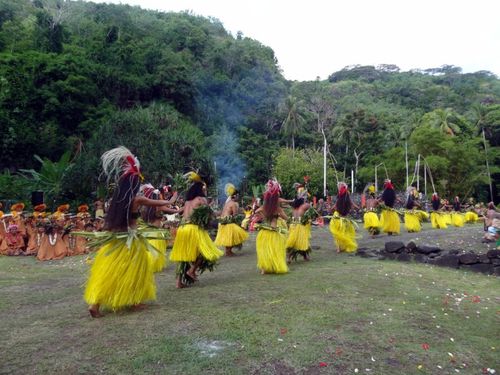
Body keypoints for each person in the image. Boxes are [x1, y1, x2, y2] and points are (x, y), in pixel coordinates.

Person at [82, 146, 174, 318]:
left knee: (110, 271)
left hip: (115, 240)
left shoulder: (116, 199)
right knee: (137, 270)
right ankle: (135, 301)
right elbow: (160, 204)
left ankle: (95, 303)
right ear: (134, 184)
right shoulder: (137, 199)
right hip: (131, 241)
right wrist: (173, 199)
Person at [169, 172, 223, 288]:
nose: (204, 190)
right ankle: (192, 270)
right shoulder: (200, 199)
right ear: (200, 189)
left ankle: (179, 282)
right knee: (205, 252)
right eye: (203, 188)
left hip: (183, 228)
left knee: (183, 255)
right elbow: (210, 213)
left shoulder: (187, 201)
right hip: (193, 228)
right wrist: (219, 213)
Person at [140, 183, 179, 272]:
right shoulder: (159, 207)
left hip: (146, 232)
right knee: (154, 253)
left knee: (148, 252)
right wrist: (176, 192)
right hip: (156, 234)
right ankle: (151, 266)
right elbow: (172, 205)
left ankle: (146, 266)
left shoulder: (145, 208)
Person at [254, 179, 288, 274]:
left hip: (263, 233)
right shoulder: (277, 209)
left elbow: (256, 212)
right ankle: (275, 267)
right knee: (275, 250)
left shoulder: (263, 207)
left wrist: (262, 215)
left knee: (264, 250)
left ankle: (263, 270)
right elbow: (286, 218)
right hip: (274, 232)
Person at [214, 183, 249, 256]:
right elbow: (235, 215)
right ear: (235, 196)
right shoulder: (234, 204)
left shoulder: (227, 203)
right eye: (238, 196)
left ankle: (228, 251)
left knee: (230, 237)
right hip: (227, 222)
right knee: (236, 235)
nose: (238, 197)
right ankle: (228, 251)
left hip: (222, 222)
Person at [329, 182, 359, 253]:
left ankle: (344, 246)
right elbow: (337, 203)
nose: (339, 187)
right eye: (339, 186)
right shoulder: (339, 196)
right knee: (338, 232)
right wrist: (331, 208)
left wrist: (357, 207)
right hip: (337, 216)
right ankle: (338, 248)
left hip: (345, 217)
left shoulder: (346, 196)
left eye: (340, 186)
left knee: (345, 231)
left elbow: (351, 203)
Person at [286, 197, 316, 263]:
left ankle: (302, 257)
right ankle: (303, 257)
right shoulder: (303, 207)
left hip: (293, 226)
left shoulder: (294, 209)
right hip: (300, 227)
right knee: (302, 242)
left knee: (296, 242)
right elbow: (311, 208)